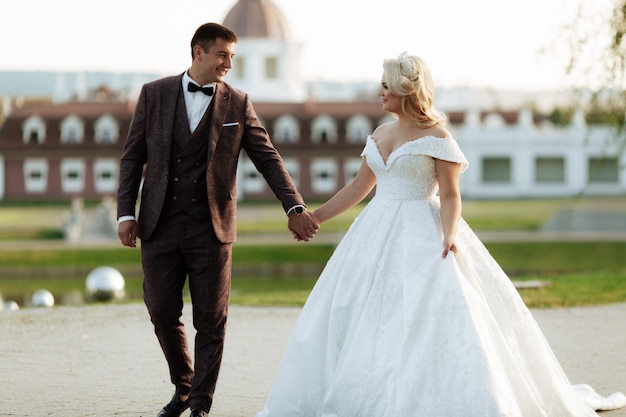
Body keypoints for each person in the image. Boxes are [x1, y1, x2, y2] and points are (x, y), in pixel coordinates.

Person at [254, 52, 626, 416]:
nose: (379, 93)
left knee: (427, 311)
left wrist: (448, 235)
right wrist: (314, 217)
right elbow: (357, 189)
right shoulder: (380, 133)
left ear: (405, 89)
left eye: (386, 86)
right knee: (363, 311)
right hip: (374, 232)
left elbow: (450, 195)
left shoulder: (437, 135)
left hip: (423, 230)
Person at [116, 22, 319, 417]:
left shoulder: (238, 103)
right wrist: (126, 212)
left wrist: (294, 206)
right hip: (158, 223)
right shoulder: (153, 95)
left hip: (212, 228)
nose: (229, 63)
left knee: (211, 321)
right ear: (198, 52)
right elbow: (131, 157)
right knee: (160, 311)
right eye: (223, 55)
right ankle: (185, 387)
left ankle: (199, 408)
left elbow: (268, 159)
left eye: (232, 56)